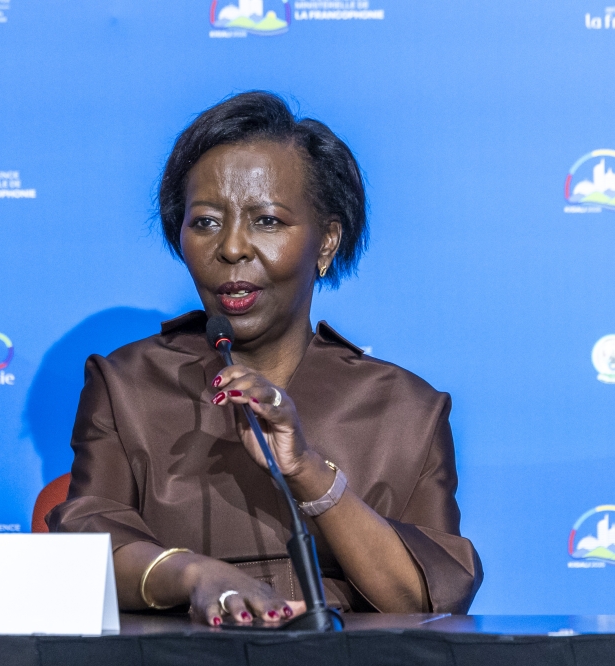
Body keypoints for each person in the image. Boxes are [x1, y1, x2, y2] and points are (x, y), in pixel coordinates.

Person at [48, 91, 482, 626]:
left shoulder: (407, 410)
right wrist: (194, 575)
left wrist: (308, 472)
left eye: (268, 221)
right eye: (205, 221)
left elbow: (426, 601)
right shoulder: (126, 385)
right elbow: (87, 552)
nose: (232, 247)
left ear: (326, 242)